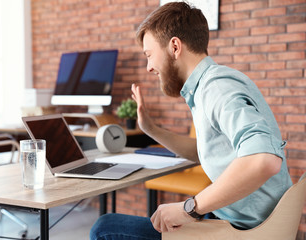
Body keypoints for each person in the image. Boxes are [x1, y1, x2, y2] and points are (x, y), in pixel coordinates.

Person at [90, 1, 292, 239]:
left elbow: (264, 159)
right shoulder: (212, 83)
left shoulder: (216, 88)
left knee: (105, 227)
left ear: (174, 47)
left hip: (244, 231)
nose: (149, 67)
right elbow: (204, 152)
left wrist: (189, 208)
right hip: (240, 218)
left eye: (149, 55)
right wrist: (150, 129)